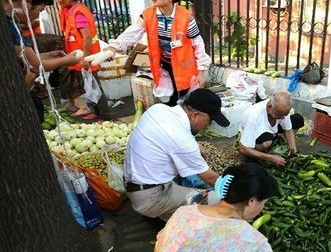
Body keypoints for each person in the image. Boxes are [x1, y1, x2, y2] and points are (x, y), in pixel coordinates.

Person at [124, 88, 230, 221]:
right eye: (210, 121)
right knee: (217, 199)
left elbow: (170, 138)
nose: (208, 126)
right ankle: (170, 218)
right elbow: (211, 178)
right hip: (150, 198)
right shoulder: (183, 141)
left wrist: (195, 145)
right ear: (195, 115)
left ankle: (170, 213)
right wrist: (239, 193)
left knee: (188, 180)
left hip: (133, 184)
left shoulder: (157, 109)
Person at [103, 0, 211, 106]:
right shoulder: (148, 14)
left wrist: (201, 72)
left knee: (186, 99)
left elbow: (198, 44)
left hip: (185, 67)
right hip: (164, 65)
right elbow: (133, 32)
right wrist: (113, 48)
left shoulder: (186, 17)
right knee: (169, 100)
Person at [1, 0, 79, 121]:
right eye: (40, 10)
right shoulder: (9, 28)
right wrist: (67, 60)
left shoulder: (9, 22)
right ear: (27, 3)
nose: (37, 17)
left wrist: (49, 55)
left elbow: (22, 57)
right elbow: (36, 66)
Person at [154, 163, 276, 251]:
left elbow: (160, 244)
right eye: (263, 202)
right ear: (252, 201)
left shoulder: (184, 212)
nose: (262, 208)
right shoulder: (254, 243)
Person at [49, 0, 110, 120]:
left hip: (89, 56)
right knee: (89, 85)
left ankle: (105, 117)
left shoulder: (78, 13)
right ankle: (96, 112)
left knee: (95, 86)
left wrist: (84, 59)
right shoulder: (72, 10)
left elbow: (87, 37)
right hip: (84, 55)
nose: (57, 1)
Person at [238, 91, 304, 166]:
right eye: (280, 114)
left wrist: (293, 150)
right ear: (269, 106)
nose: (283, 118)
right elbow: (242, 148)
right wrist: (268, 157)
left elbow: (288, 130)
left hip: (271, 130)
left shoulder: (281, 110)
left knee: (298, 119)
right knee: (267, 142)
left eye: (285, 114)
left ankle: (277, 138)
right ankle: (264, 150)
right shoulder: (253, 116)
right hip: (254, 133)